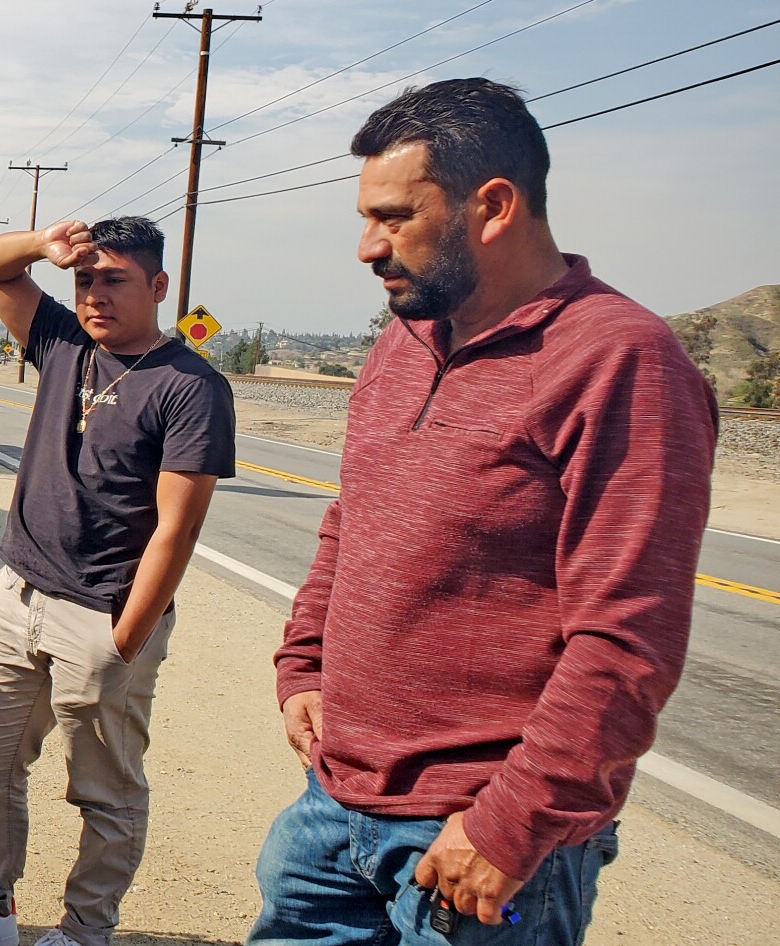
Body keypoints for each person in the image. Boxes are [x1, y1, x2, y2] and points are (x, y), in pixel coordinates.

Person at [247, 79, 718, 945]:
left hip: (476, 837)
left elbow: (628, 638)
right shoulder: (405, 339)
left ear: (493, 205)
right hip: (333, 808)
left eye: (393, 217)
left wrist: (513, 823)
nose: (366, 246)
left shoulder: (620, 361)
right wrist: (304, 666)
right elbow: (352, 522)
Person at [0, 217, 235, 946]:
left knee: (104, 793)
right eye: (85, 280)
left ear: (158, 287)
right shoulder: (62, 342)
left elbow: (176, 530)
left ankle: (84, 932)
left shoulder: (190, 386)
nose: (94, 294)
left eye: (113, 280)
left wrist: (126, 639)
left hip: (104, 615)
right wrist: (42, 246)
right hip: (17, 593)